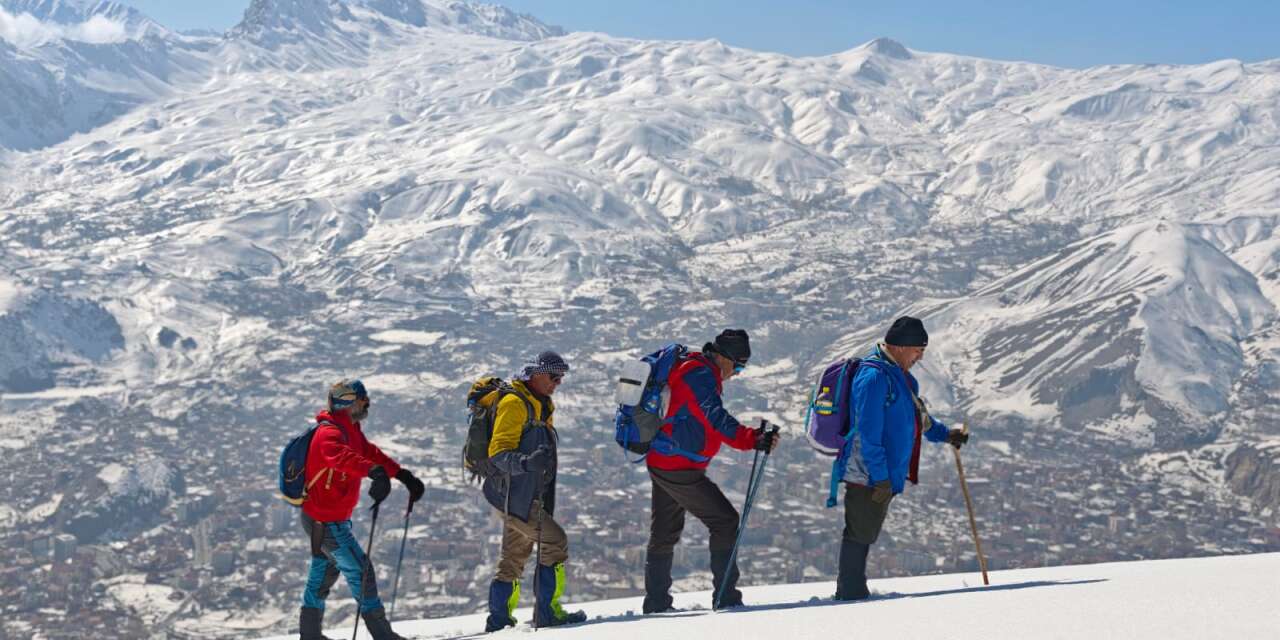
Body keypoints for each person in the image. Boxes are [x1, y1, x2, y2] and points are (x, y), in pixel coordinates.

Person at [829, 317, 969, 600]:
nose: (920, 357)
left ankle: (852, 590)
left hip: (881, 473)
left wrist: (946, 435)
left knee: (866, 529)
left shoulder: (899, 377)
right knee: (860, 531)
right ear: (901, 346)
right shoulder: (874, 377)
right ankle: (850, 592)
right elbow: (868, 435)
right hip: (866, 473)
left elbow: (917, 419)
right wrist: (880, 477)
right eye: (918, 350)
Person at [642, 329, 781, 613]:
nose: (737, 374)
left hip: (666, 458)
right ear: (724, 358)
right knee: (725, 521)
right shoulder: (700, 375)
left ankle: (656, 603)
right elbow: (716, 418)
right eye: (738, 367)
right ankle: (726, 598)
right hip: (677, 465)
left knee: (665, 532)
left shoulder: (694, 368)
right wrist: (752, 439)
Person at [298, 379, 425, 640]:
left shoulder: (350, 429)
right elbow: (340, 457)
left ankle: (310, 634)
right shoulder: (329, 433)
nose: (367, 403)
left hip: (324, 518)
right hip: (326, 521)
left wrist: (401, 475)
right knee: (361, 571)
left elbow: (369, 453)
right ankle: (382, 635)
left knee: (323, 572)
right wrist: (373, 471)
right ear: (347, 402)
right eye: (362, 399)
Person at [482, 351, 588, 632]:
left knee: (513, 556)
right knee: (555, 542)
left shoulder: (540, 404)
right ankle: (547, 613)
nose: (558, 383)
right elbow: (498, 453)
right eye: (554, 377)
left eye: (561, 378)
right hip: (514, 496)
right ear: (537, 374)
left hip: (521, 495)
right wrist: (527, 463)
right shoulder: (515, 404)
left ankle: (499, 621)